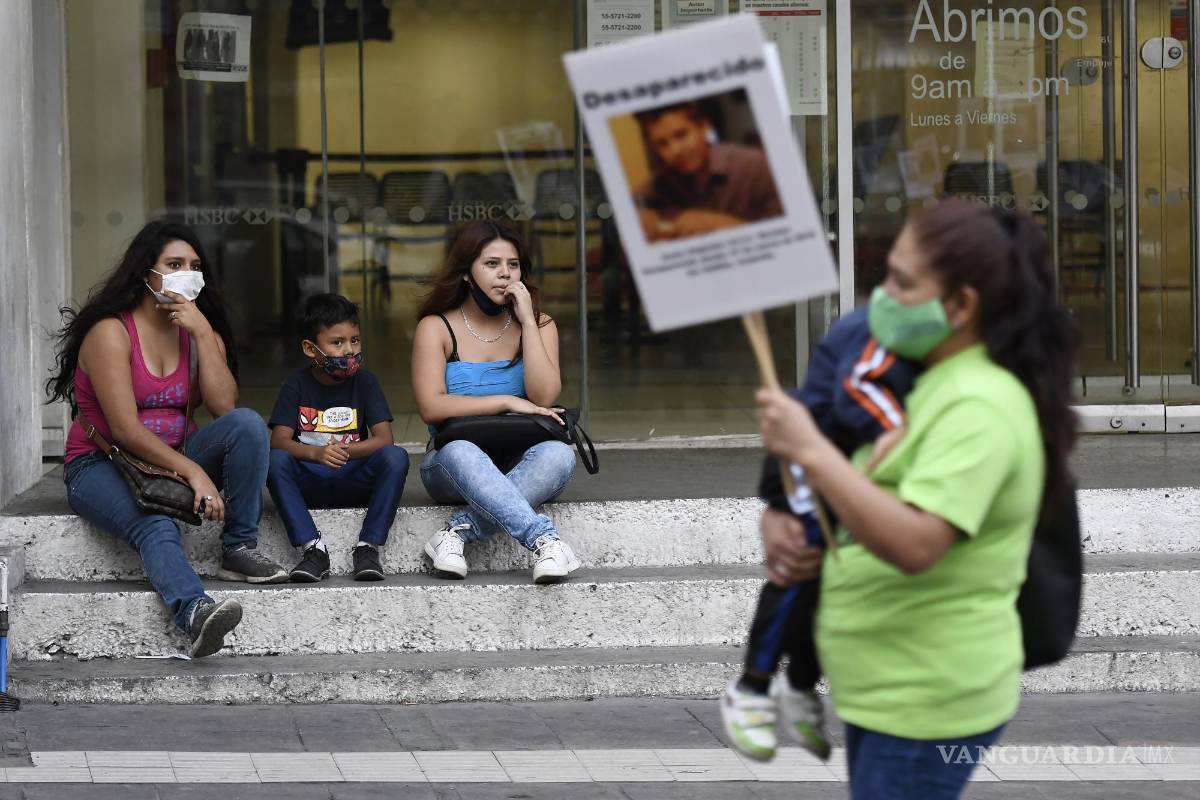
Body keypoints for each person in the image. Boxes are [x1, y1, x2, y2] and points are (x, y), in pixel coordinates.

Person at [755, 199, 1078, 798]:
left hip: (925, 699)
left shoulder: (977, 405)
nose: (883, 296)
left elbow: (917, 541)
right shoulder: (934, 382)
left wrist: (813, 452)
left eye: (903, 282)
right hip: (889, 688)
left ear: (960, 307)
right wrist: (792, 516)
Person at [48, 220, 288, 659]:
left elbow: (225, 408)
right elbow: (124, 429)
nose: (187, 273)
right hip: (102, 464)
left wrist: (201, 334)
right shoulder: (110, 333)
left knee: (250, 424)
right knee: (154, 522)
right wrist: (194, 472)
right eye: (174, 264)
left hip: (174, 456)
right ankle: (195, 612)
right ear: (146, 271)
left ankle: (238, 547)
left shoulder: (197, 331)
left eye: (194, 266)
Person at [721, 307, 918, 762]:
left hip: (848, 469)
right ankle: (752, 687)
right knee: (797, 573)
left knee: (826, 588)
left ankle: (801, 687)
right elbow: (858, 387)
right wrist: (895, 428)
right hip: (812, 459)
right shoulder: (883, 327)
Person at [412, 220, 580, 584]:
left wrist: (527, 322)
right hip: (451, 466)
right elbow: (431, 407)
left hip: (521, 458)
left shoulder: (540, 324)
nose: (505, 273)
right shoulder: (436, 327)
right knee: (459, 451)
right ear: (467, 274)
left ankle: (455, 534)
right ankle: (542, 540)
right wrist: (506, 401)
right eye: (491, 264)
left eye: (513, 264)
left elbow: (544, 396)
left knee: (560, 455)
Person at [266, 293, 408, 582]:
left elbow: (384, 439)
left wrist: (345, 451)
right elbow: (278, 441)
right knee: (274, 461)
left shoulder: (366, 383)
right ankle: (313, 550)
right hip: (310, 481)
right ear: (310, 348)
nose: (348, 351)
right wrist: (317, 454)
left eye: (354, 340)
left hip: (353, 478)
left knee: (396, 457)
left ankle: (368, 547)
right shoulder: (296, 385)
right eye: (337, 342)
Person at [633, 101, 783, 242]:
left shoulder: (755, 166)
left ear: (704, 127)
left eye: (681, 135)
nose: (674, 150)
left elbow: (787, 237)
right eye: (662, 144)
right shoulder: (659, 182)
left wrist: (720, 224)